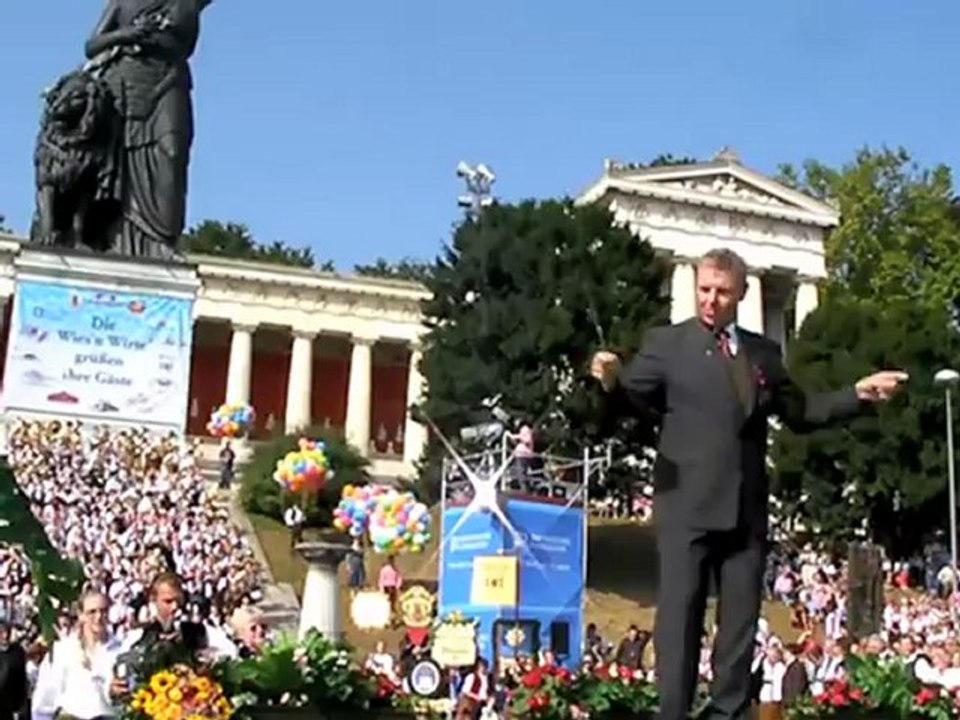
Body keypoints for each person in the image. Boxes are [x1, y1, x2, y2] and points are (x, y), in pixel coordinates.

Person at [590, 248, 907, 720]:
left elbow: (802, 412)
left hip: (745, 512)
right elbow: (631, 406)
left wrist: (856, 394)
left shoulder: (763, 353)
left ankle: (729, 714)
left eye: (721, 292)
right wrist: (610, 383)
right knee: (680, 623)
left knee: (738, 630)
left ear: (740, 293)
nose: (711, 300)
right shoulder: (666, 344)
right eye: (704, 290)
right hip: (686, 510)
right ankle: (672, 713)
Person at [31, 590, 123, 720]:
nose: (98, 617)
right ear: (81, 615)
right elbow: (45, 698)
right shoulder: (63, 649)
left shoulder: (121, 650)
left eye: (103, 611)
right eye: (92, 612)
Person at [0, 620, 28, 720]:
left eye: (7, 632)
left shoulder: (17, 652)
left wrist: (20, 710)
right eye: (1, 632)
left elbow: (21, 682)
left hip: (9, 707)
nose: (5, 636)